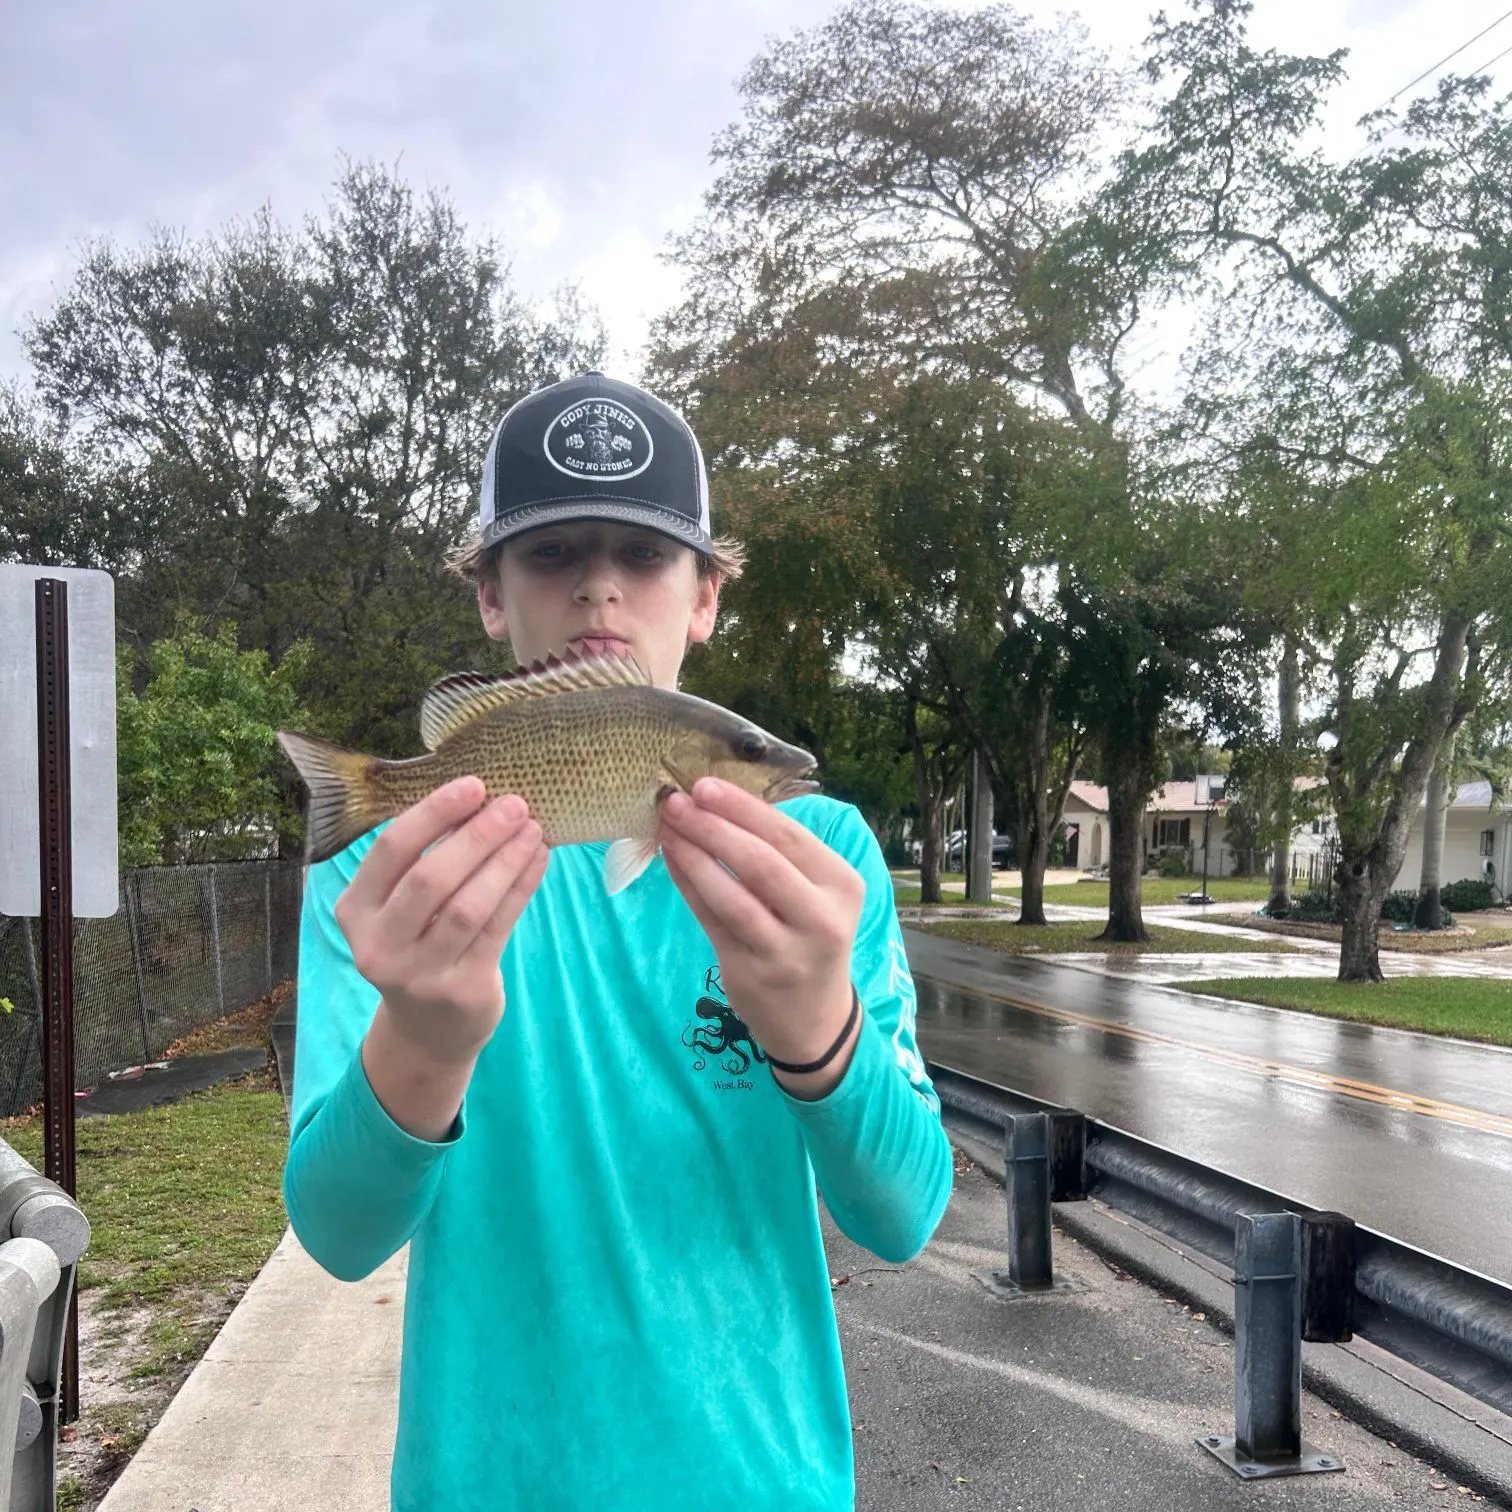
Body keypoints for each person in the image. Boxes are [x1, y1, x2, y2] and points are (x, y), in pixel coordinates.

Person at [283, 372, 953, 1512]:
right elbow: (341, 1236)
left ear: (706, 598)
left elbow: (902, 1214)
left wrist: (816, 1030)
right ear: (490, 595)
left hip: (765, 1483)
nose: (601, 585)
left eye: (645, 557)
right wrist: (426, 1042)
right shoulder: (384, 871)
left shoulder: (822, 859)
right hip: (481, 1483)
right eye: (552, 555)